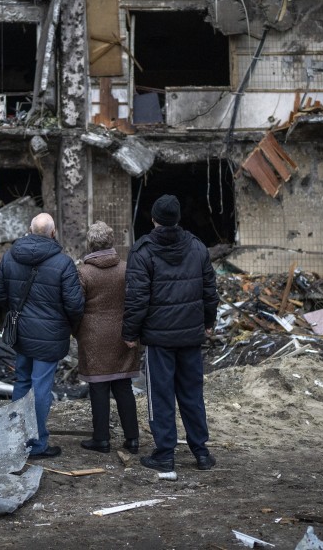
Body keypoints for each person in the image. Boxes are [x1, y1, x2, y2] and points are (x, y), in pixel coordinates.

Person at [123, 194, 219, 472]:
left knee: (160, 396)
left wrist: (130, 333)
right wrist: (208, 321)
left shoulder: (142, 252)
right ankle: (201, 453)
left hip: (159, 339)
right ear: (178, 219)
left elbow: (136, 298)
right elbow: (209, 291)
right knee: (192, 394)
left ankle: (165, 454)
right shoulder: (198, 248)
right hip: (190, 335)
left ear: (154, 219)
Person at [0, 212, 84, 459]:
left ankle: (17, 438)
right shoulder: (63, 263)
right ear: (53, 233)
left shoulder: (10, 256)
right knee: (41, 385)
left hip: (21, 331)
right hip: (50, 334)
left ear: (29, 230)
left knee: (22, 381)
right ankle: (37, 444)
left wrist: (14, 308)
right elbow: (75, 304)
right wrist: (67, 324)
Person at [75, 221, 141, 455]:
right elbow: (136, 300)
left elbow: (76, 306)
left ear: (90, 244)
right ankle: (132, 438)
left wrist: (76, 331)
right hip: (123, 334)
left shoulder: (83, 272)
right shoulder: (126, 268)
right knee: (123, 385)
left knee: (99, 387)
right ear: (112, 242)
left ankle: (101, 439)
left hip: (93, 336)